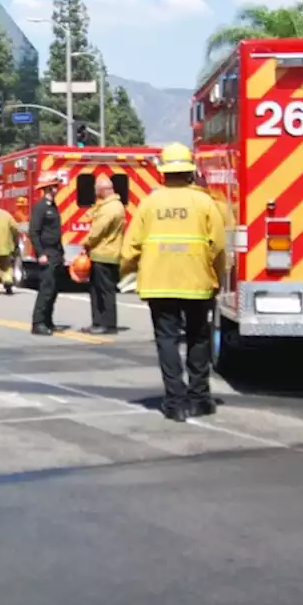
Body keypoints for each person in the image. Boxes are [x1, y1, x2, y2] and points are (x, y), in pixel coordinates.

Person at [120, 143, 226, 421]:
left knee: (166, 340)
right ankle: (200, 397)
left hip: (159, 283)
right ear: (190, 171)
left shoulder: (149, 203)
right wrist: (218, 277)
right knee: (198, 337)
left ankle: (176, 402)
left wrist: (121, 273)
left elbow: (130, 247)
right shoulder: (204, 203)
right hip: (197, 281)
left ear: (162, 173)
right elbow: (218, 246)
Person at [81, 174, 125, 334]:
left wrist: (86, 243)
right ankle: (99, 322)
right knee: (98, 290)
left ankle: (107, 324)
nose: (95, 192)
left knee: (104, 291)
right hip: (106, 252)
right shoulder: (110, 205)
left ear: (103, 190)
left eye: (96, 189)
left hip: (104, 254)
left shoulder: (110, 208)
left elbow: (97, 231)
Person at [29, 172, 66, 335]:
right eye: (55, 186)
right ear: (48, 187)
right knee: (46, 289)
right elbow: (34, 232)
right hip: (47, 252)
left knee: (54, 290)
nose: (57, 188)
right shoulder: (40, 207)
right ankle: (38, 323)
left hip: (56, 253)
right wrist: (41, 253)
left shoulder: (53, 206)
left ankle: (48, 321)